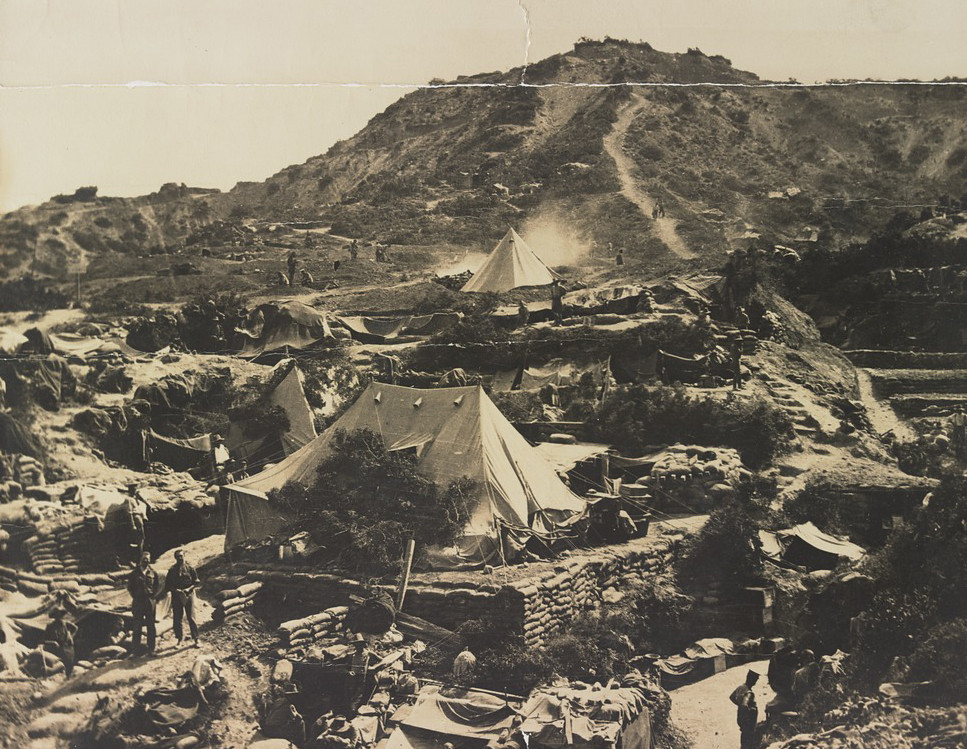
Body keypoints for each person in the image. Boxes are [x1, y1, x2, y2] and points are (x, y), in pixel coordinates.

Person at [164, 549, 200, 647]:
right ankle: (179, 640)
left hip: (189, 595)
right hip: (177, 596)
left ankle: (196, 639)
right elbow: (168, 586)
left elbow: (196, 582)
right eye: (177, 557)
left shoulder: (190, 568)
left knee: (191, 617)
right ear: (175, 558)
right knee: (177, 619)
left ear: (184, 556)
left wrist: (189, 589)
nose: (180, 558)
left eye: (181, 556)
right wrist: (176, 590)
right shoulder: (172, 570)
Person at [128, 550, 161, 654]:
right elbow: (130, 587)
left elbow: (157, 586)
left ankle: (151, 649)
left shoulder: (153, 573)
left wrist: (152, 597)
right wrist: (136, 596)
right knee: (137, 626)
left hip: (150, 602)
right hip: (138, 602)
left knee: (151, 626)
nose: (145, 561)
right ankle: (135, 651)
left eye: (147, 559)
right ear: (140, 560)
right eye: (144, 559)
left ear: (150, 560)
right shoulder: (134, 573)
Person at [729, 670, 760, 749]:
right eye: (755, 679)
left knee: (744, 738)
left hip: (741, 718)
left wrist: (739, 704)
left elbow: (732, 697)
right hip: (748, 721)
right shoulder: (749, 693)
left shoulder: (741, 687)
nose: (756, 682)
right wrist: (749, 711)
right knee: (749, 741)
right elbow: (744, 705)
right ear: (752, 680)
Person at [43, 607, 77, 677]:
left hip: (68, 647)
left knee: (69, 663)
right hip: (57, 648)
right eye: (57, 615)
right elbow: (45, 639)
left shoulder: (66, 624)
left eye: (60, 615)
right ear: (54, 617)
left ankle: (69, 676)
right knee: (60, 664)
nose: (59, 617)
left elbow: (75, 628)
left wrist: (71, 636)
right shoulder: (50, 626)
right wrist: (53, 642)